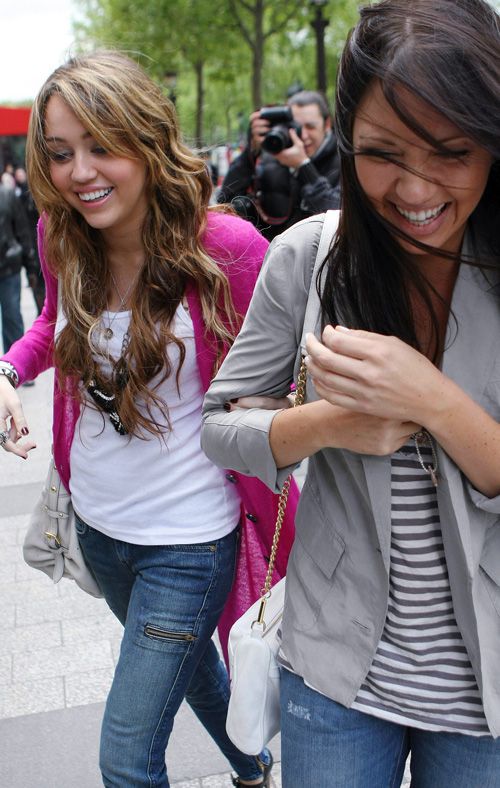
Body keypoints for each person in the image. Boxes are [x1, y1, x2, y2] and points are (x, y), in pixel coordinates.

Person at [202, 0, 500, 785]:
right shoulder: (310, 257)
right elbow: (218, 426)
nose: (415, 188)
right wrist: (326, 424)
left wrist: (433, 400)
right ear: (343, 138)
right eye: (381, 153)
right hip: (334, 673)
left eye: (452, 151)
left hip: (489, 691)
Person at [0, 51, 298, 787]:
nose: (80, 172)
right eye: (60, 153)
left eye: (102, 146)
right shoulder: (62, 232)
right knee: (190, 672)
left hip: (189, 541)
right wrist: (8, 370)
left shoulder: (226, 249)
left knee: (127, 760)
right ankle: (252, 767)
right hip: (99, 529)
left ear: (147, 140)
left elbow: (291, 368)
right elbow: (53, 324)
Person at [218, 90, 341, 240]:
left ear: (327, 124)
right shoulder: (270, 158)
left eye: (310, 127)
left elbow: (338, 216)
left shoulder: (344, 161)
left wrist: (303, 166)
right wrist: (251, 152)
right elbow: (225, 204)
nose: (303, 135)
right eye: (296, 127)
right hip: (272, 251)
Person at [0, 181, 36, 354]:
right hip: (9, 267)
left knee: (12, 318)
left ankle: (14, 362)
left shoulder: (8, 195)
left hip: (9, 269)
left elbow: (22, 231)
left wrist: (31, 267)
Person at [14, 166, 46, 314]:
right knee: (38, 282)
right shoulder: (21, 197)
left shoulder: (41, 195)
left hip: (43, 240)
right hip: (32, 244)